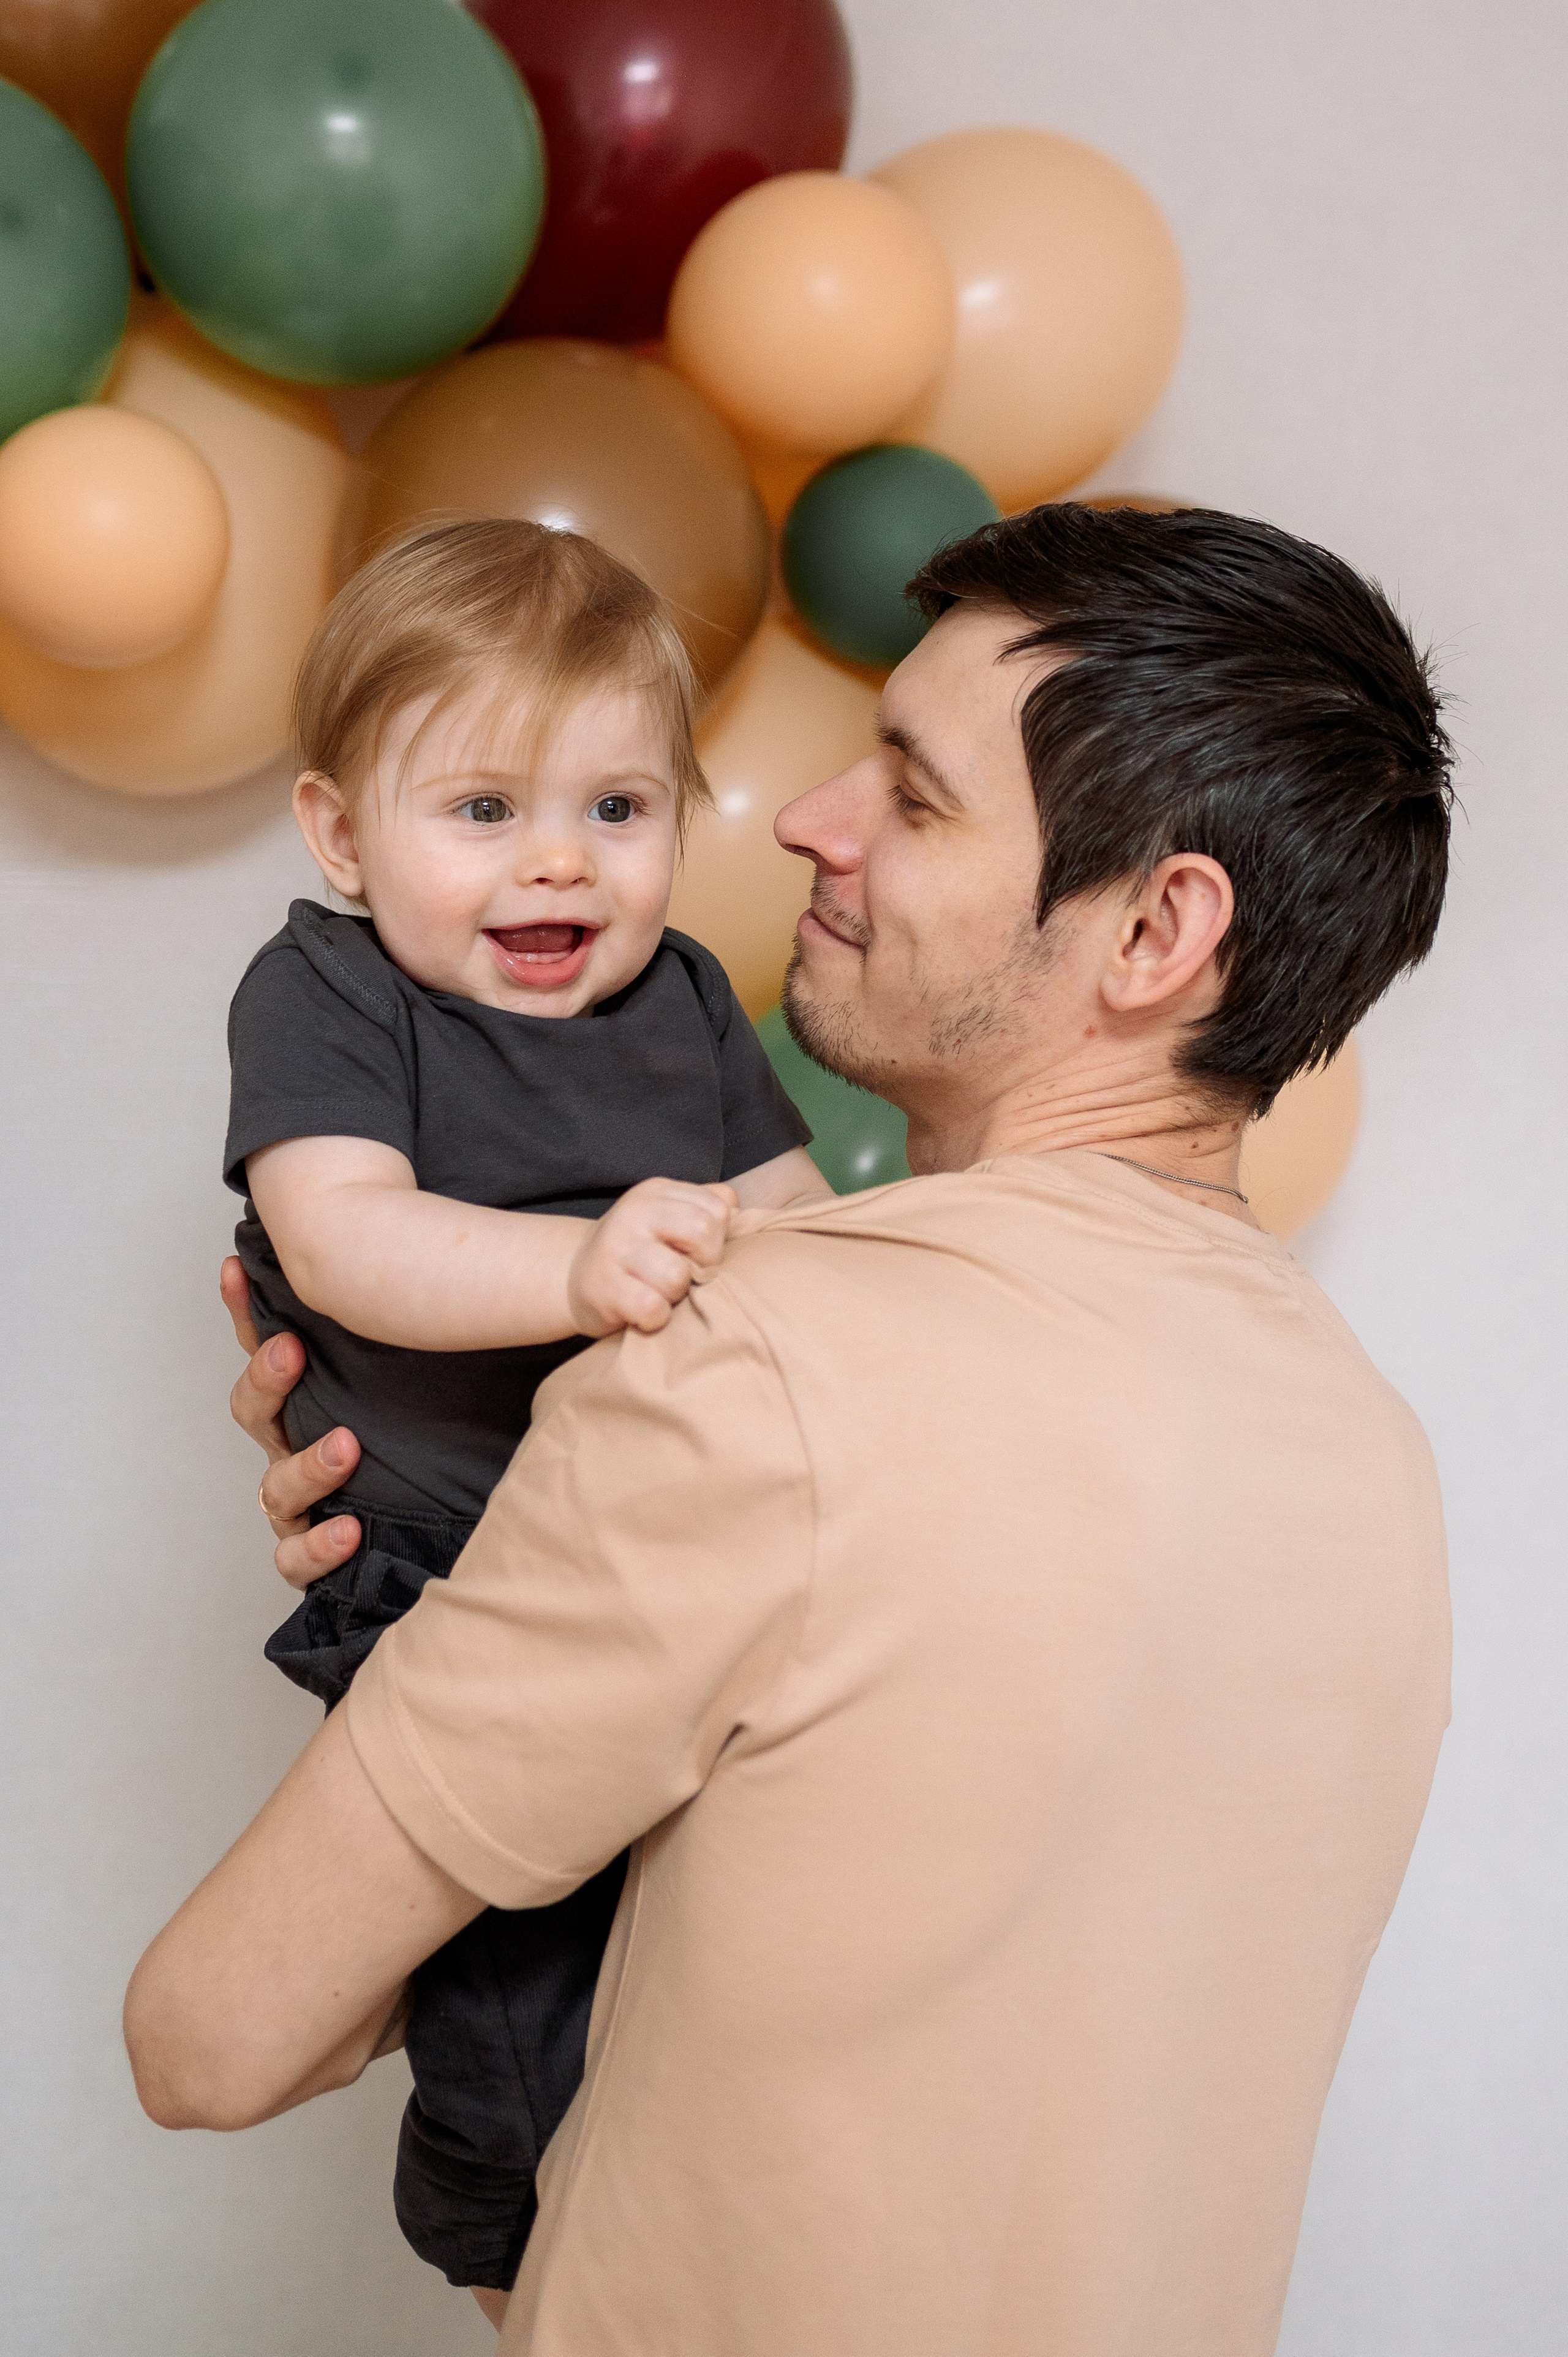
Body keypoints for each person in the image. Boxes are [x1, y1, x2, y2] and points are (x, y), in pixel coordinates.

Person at [126, 504, 1454, 2356]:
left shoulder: (751, 1367)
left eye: (911, 795)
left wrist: (438, 1598)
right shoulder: (1374, 1456)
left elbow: (210, 2041)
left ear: (1157, 929)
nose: (808, 820)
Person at [219, 516, 826, 2302]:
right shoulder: (329, 992)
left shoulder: (688, 996)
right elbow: (344, 1242)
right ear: (344, 834)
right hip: (448, 1580)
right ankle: (513, 2254)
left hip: (673, 1562)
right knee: (524, 1986)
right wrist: (579, 1271)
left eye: (617, 809)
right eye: (483, 809)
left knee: (713, 1970)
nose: (558, 861)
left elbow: (798, 1225)